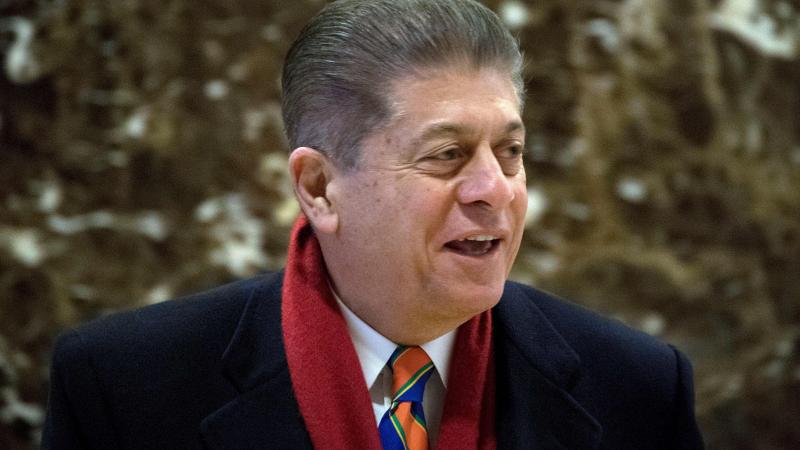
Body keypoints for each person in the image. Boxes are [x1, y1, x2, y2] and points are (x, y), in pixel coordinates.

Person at [42, 0, 705, 448]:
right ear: (319, 188)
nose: (495, 190)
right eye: (447, 155)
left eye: (510, 151)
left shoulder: (639, 387)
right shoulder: (122, 387)